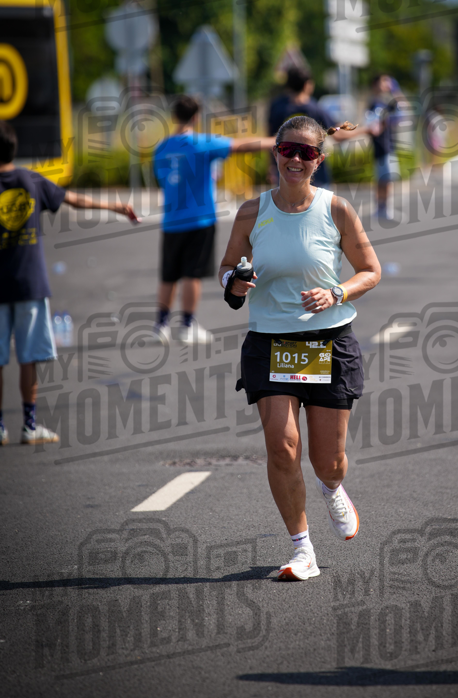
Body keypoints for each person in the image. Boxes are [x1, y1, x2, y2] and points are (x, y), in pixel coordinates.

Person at [218, 115, 381, 581]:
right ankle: (301, 549)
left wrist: (337, 293)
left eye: (305, 153)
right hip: (270, 342)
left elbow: (371, 270)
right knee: (282, 446)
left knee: (326, 459)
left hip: (328, 341)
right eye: (287, 149)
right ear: (275, 153)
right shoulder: (252, 212)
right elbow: (228, 268)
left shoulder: (337, 210)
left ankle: (332, 487)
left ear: (319, 161)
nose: (295, 158)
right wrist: (237, 282)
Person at [0, 120, 139, 445]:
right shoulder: (31, 180)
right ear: (14, 147)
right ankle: (30, 425)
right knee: (29, 356)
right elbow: (75, 200)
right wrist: (116, 207)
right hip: (29, 283)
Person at [152, 95, 276, 344]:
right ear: (196, 117)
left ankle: (161, 325)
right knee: (192, 274)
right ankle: (187, 326)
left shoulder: (162, 148)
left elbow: (161, 180)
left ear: (174, 116)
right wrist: (279, 141)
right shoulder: (202, 143)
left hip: (171, 220)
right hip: (199, 219)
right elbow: (241, 146)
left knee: (168, 275)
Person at [267, 67, 373, 188]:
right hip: (315, 176)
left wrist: (271, 166)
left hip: (285, 172)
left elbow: (269, 140)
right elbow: (337, 133)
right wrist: (366, 130)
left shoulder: (276, 107)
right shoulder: (314, 109)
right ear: (307, 85)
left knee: (286, 205)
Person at [367, 74, 402, 219]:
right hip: (382, 146)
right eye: (383, 82)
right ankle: (384, 209)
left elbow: (401, 115)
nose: (386, 85)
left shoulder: (385, 103)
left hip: (388, 145)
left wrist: (395, 91)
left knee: (384, 179)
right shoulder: (376, 104)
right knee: (385, 179)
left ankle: (382, 208)